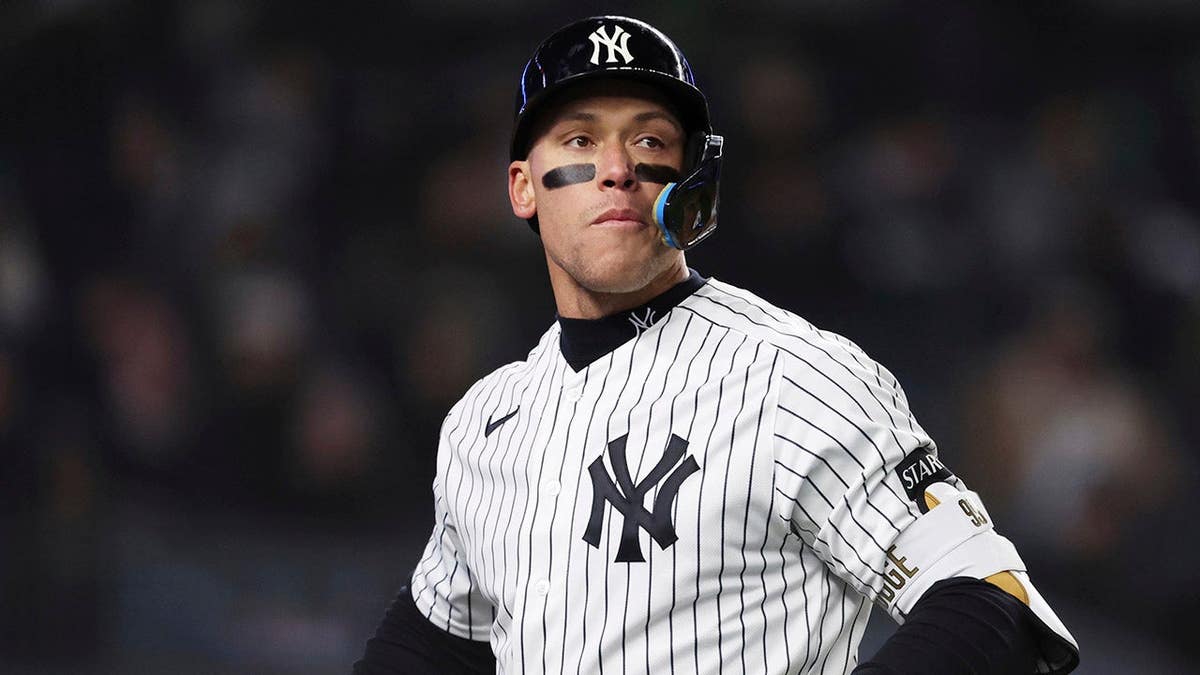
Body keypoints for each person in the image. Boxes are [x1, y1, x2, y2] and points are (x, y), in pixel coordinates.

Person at [354, 15, 1080, 674]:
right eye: (580, 139)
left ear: (691, 181)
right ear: (523, 187)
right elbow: (431, 641)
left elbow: (988, 594)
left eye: (650, 140)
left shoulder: (794, 376)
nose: (618, 168)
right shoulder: (487, 418)